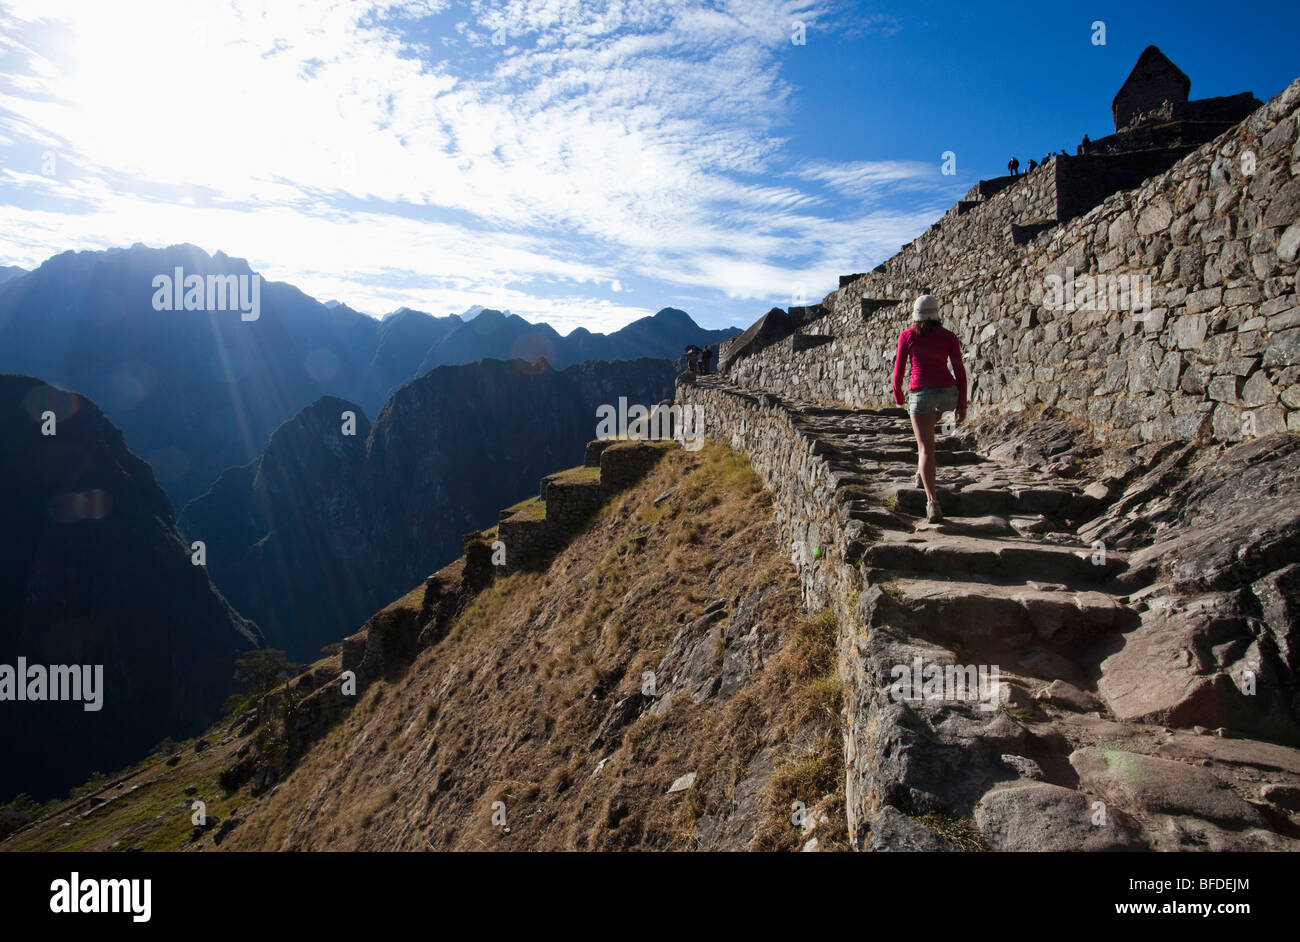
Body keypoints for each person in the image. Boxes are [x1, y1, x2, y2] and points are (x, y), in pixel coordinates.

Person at [891, 294, 968, 522]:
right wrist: (961, 403)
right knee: (928, 432)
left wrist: (898, 393)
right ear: (936, 314)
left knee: (925, 448)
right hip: (947, 395)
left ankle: (932, 502)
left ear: (916, 315)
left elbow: (898, 371)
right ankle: (919, 474)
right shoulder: (949, 337)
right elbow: (959, 370)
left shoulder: (907, 336)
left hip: (921, 393)